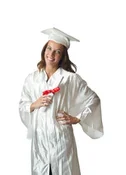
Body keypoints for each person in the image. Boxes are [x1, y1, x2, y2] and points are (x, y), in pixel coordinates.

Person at [18, 27, 104, 175]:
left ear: (62, 56)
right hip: (40, 144)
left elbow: (93, 99)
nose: (51, 54)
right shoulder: (32, 79)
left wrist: (77, 118)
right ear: (44, 49)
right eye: (49, 48)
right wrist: (34, 104)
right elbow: (22, 105)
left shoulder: (70, 79)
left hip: (61, 142)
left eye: (57, 51)